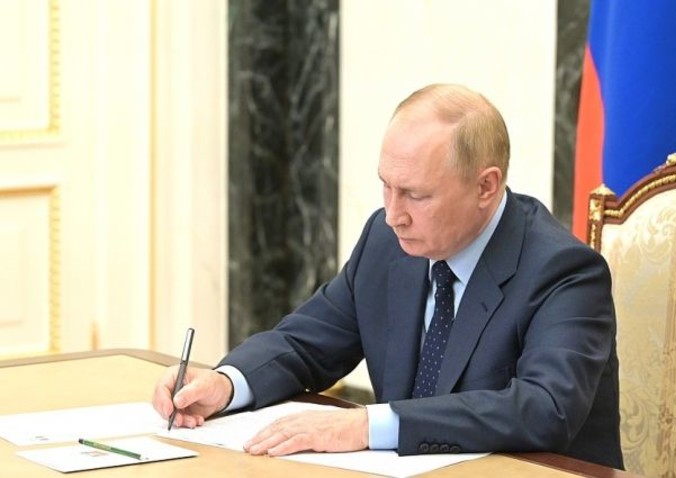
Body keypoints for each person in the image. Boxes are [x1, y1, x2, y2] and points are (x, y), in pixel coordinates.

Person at [152, 83, 623, 469]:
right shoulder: (387, 241)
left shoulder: (563, 272)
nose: (394, 214)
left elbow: (545, 409)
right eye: (386, 186)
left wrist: (368, 425)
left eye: (416, 195)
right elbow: (306, 343)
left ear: (486, 186)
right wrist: (226, 384)